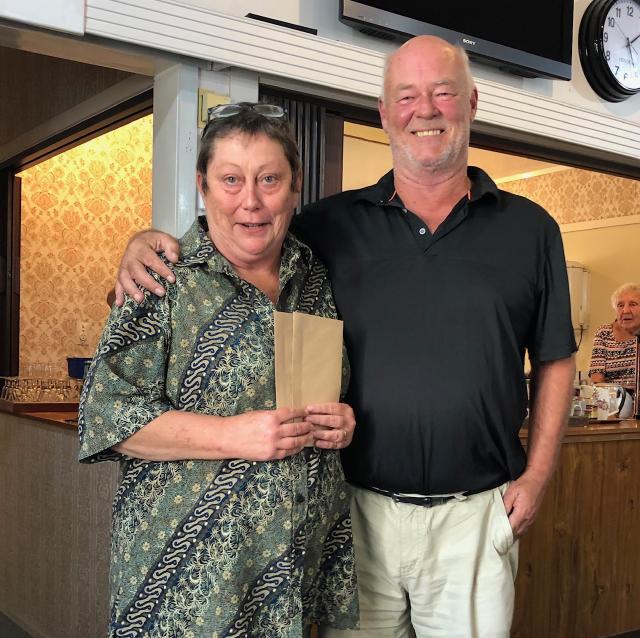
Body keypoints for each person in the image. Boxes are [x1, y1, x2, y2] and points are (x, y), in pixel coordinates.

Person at [113, 36, 576, 637]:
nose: (425, 110)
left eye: (442, 93)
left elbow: (555, 360)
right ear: (384, 113)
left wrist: (538, 477)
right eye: (406, 96)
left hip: (476, 516)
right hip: (355, 516)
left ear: (471, 102)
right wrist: (146, 241)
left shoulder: (531, 230)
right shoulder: (326, 227)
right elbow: (241, 230)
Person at [78, 104, 359, 638]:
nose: (250, 201)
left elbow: (334, 393)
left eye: (269, 180)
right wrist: (233, 434)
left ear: (294, 187)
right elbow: (105, 415)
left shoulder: (318, 278)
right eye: (231, 180)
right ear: (203, 186)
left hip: (288, 586)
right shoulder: (160, 278)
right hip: (186, 594)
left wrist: (343, 422)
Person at [589, 282, 640, 387]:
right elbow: (597, 380)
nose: (625, 310)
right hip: (613, 399)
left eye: (633, 304)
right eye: (620, 305)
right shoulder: (604, 333)